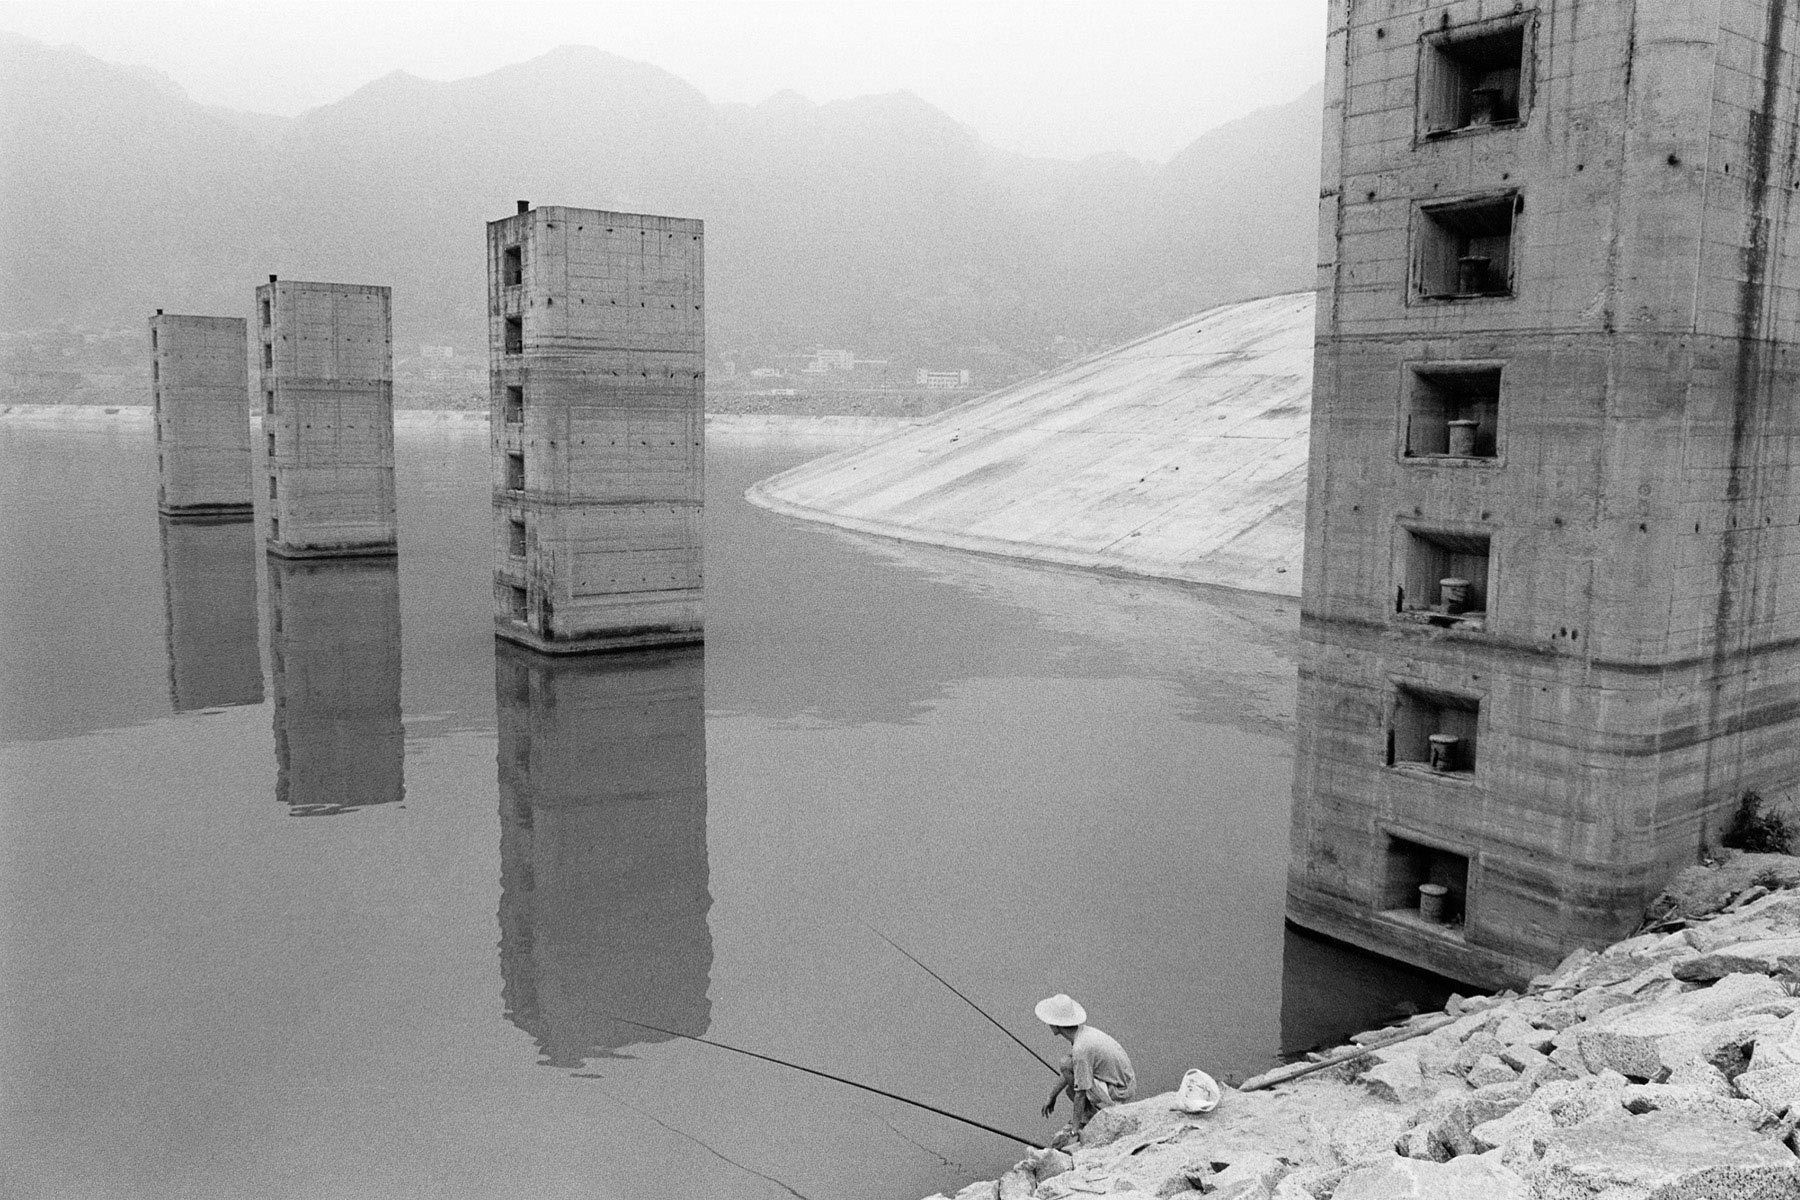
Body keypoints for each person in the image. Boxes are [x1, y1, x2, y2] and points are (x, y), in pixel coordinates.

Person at [1035, 993, 1134, 1142]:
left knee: (1072, 1082)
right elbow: (1072, 1069)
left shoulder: (1081, 1048)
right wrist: (1052, 1096)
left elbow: (1080, 1093)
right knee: (1069, 1078)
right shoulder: (1083, 1034)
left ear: (1056, 1025)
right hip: (1124, 1082)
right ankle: (1088, 1116)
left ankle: (1086, 1120)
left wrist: (1074, 1130)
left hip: (1119, 1091)